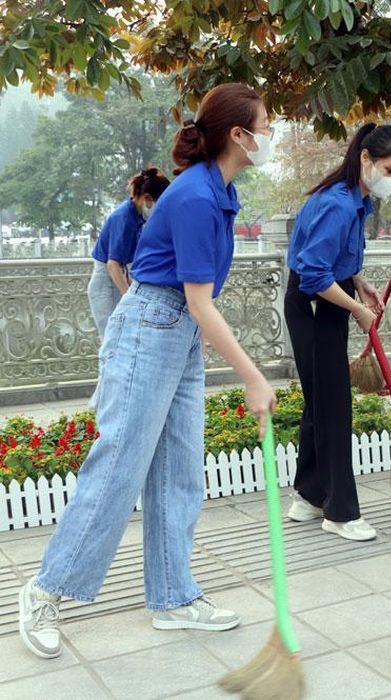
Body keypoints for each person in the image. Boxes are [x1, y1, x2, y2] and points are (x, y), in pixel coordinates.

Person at [18, 83, 278, 659]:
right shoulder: (194, 197)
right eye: (266, 126)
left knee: (179, 469)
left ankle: (173, 596)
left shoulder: (218, 191)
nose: (271, 136)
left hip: (177, 335)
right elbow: (199, 300)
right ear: (239, 135)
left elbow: (197, 307)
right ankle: (44, 591)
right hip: (149, 330)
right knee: (119, 467)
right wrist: (253, 377)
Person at [284, 124, 391, 541]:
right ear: (365, 159)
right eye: (389, 170)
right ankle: (339, 512)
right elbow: (313, 274)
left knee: (320, 401)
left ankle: (308, 494)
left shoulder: (355, 202)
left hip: (328, 301)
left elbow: (335, 258)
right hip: (316, 305)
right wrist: (357, 308)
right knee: (334, 407)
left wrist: (359, 282)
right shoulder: (339, 204)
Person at [88, 167, 170, 337]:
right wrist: (129, 298)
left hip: (119, 279)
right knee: (111, 339)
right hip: (106, 285)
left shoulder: (136, 218)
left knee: (123, 338)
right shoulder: (124, 218)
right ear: (147, 198)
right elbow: (113, 264)